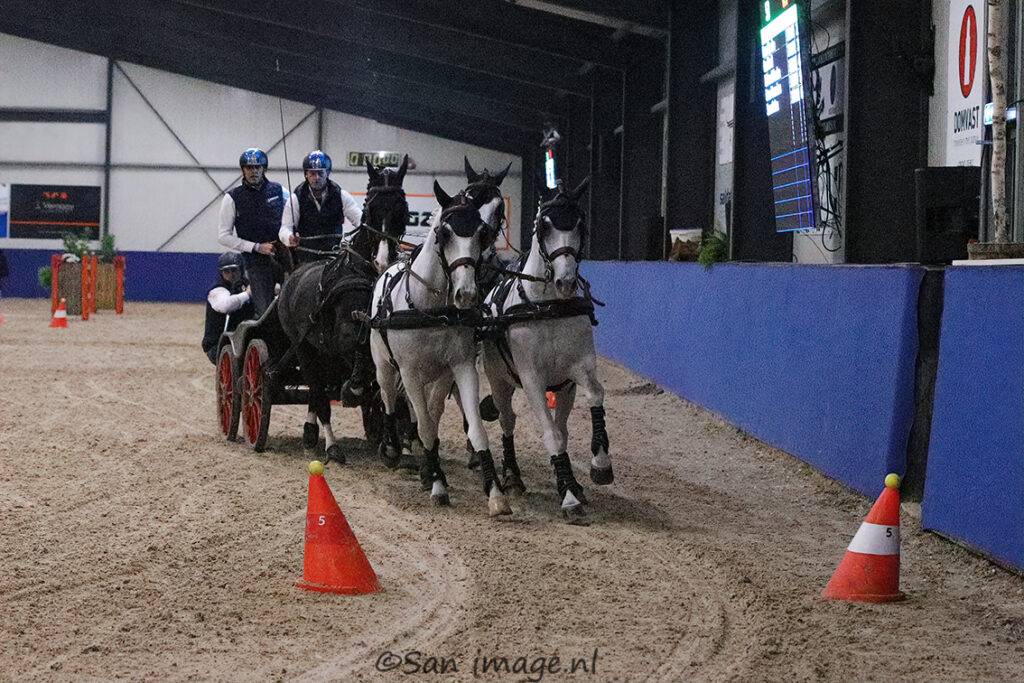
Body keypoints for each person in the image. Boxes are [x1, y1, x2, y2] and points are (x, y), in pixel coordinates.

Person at [218, 148, 285, 317]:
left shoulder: (279, 191)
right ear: (243, 170)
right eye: (249, 168)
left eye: (257, 167)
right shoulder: (232, 198)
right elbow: (223, 236)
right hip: (256, 262)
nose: (253, 171)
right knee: (265, 311)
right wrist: (256, 247)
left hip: (285, 258)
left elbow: (292, 219)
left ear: (264, 169)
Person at [279, 150, 362, 263]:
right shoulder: (295, 198)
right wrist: (289, 237)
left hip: (334, 256)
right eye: (312, 173)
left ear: (327, 173)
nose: (316, 177)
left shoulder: (342, 196)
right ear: (306, 174)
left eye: (320, 173)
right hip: (305, 258)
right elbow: (284, 228)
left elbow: (360, 221)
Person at [202, 252, 254, 364]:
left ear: (241, 270)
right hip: (217, 345)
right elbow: (226, 306)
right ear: (221, 273)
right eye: (226, 271)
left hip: (242, 340)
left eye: (234, 270)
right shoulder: (216, 290)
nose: (231, 274)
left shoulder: (246, 284)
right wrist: (247, 294)